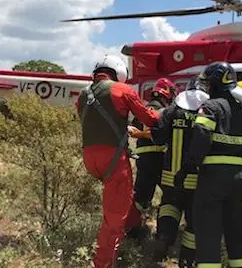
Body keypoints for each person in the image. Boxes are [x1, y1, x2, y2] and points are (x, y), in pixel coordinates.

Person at [175, 62, 242, 268]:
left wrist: (188, 167)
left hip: (212, 179)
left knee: (208, 235)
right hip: (239, 181)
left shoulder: (211, 108)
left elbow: (201, 136)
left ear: (214, 84)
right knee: (237, 235)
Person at [75, 54, 161, 268]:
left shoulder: (83, 95)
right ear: (119, 73)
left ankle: (134, 231)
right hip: (112, 159)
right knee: (114, 218)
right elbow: (149, 119)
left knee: (123, 199)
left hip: (90, 158)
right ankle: (102, 263)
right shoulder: (123, 90)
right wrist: (168, 115)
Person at [148, 76, 210, 267]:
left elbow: (157, 137)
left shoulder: (172, 111)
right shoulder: (208, 112)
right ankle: (186, 259)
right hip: (198, 180)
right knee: (194, 220)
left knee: (169, 207)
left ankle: (164, 239)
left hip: (170, 177)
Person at [125, 78, 177, 239]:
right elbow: (155, 132)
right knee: (170, 197)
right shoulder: (163, 111)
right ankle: (164, 235)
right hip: (160, 159)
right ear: (167, 93)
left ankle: (132, 232)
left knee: (141, 198)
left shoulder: (144, 108)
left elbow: (134, 128)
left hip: (144, 160)